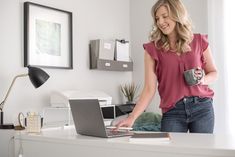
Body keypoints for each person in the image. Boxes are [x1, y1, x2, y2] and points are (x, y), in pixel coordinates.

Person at [116, 0, 218, 133]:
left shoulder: (199, 41)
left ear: (177, 14)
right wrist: (132, 117)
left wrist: (202, 79)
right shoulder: (152, 49)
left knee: (201, 153)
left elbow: (214, 73)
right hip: (173, 112)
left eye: (165, 16)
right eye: (157, 18)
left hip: (202, 108)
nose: (160, 22)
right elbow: (149, 89)